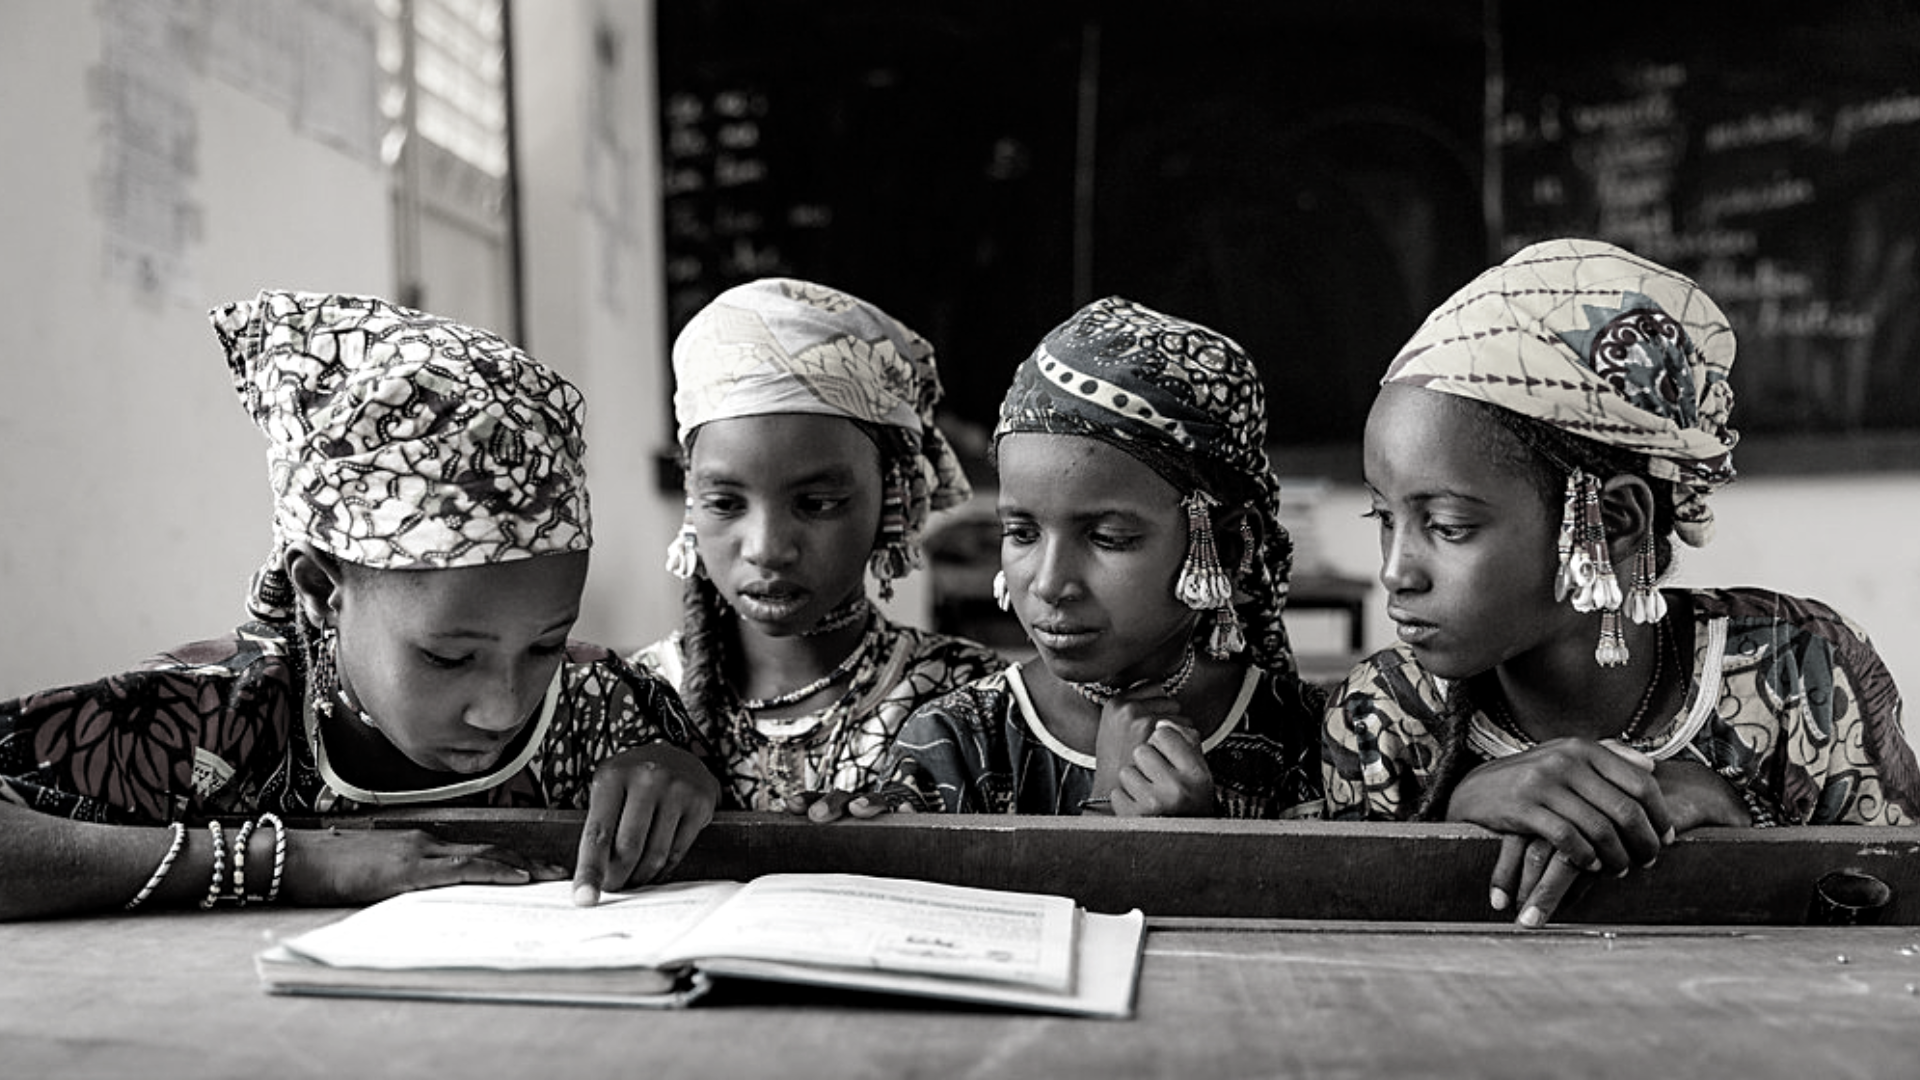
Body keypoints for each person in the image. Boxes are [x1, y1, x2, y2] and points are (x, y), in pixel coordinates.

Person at [0, 290, 719, 921]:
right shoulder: (204, 722)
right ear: (320, 591)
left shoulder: (605, 711)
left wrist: (689, 776)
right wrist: (293, 863)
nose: (503, 708)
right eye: (449, 656)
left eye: (545, 645)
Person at [1324, 237, 1918, 926]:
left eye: (1449, 527)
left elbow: (1894, 917)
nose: (1395, 571)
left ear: (1613, 519)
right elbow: (1350, 958)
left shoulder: (1799, 671)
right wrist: (1454, 822)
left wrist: (1738, 820)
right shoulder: (1385, 714)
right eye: (1383, 517)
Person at [818, 296, 1325, 820]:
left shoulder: (1317, 744)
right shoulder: (958, 742)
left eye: (1107, 537)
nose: (1049, 583)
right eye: (1021, 532)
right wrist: (1104, 815)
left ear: (1225, 549)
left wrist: (1199, 842)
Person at [631, 278, 1005, 813]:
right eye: (726, 504)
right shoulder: (635, 704)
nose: (767, 548)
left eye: (817, 503)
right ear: (692, 497)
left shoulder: (971, 700)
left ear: (893, 495)